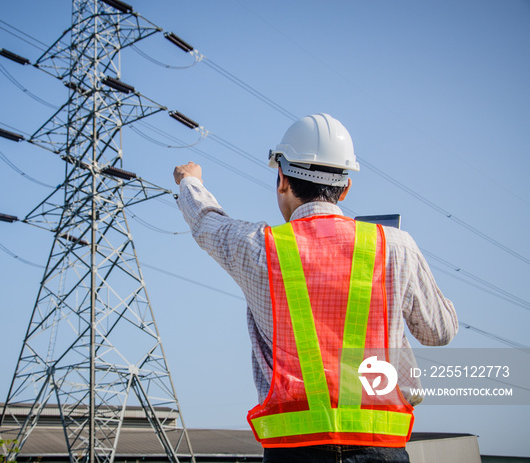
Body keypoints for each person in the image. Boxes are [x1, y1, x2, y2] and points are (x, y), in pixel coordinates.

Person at [173, 113, 458, 463]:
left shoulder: (260, 246)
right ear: (346, 186)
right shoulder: (396, 246)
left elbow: (207, 223)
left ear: (281, 179)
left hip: (293, 452)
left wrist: (190, 181)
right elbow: (439, 332)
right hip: (380, 448)